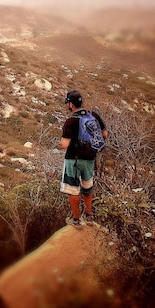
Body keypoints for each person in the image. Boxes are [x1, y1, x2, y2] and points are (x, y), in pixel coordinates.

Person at [60, 90, 108, 226]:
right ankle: (89, 216)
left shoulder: (71, 121)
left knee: (73, 189)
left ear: (71, 104)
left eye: (68, 103)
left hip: (73, 160)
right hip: (90, 159)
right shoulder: (94, 116)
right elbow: (104, 134)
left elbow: (64, 145)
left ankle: (76, 220)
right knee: (88, 188)